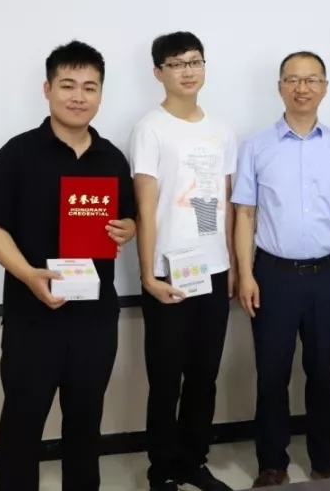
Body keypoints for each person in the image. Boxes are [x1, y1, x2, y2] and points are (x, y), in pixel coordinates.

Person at [0, 40, 138, 491]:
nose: (78, 96)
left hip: (94, 318)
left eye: (90, 87)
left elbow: (127, 220)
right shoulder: (17, 153)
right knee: (22, 426)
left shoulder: (112, 159)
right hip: (33, 316)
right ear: (47, 89)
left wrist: (128, 228)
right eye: (68, 85)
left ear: (100, 94)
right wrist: (28, 274)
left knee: (85, 426)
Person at [232, 51, 330, 487]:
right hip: (273, 276)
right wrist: (246, 274)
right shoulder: (256, 146)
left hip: (328, 276)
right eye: (292, 79)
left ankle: (326, 459)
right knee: (272, 374)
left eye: (311, 79)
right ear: (280, 88)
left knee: (323, 372)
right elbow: (244, 214)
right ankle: (271, 463)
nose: (302, 88)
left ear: (324, 87)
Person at [129, 32, 237, 491]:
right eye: (176, 64)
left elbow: (224, 203)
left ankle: (194, 461)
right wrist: (147, 275)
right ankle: (162, 469)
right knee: (165, 379)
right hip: (167, 273)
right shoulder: (150, 128)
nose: (188, 71)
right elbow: (145, 206)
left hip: (213, 270)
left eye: (195, 61)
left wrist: (232, 266)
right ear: (159, 73)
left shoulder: (222, 129)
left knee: (204, 376)